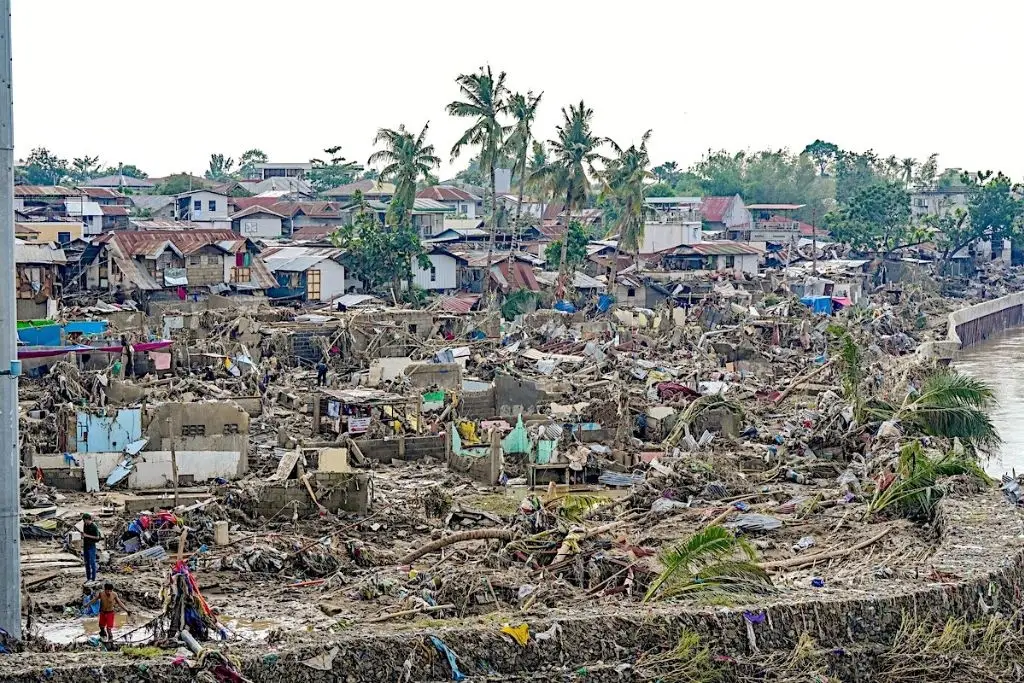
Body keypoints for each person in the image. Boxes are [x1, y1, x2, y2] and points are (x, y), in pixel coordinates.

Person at [81, 513, 102, 582]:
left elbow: (97, 537)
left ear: (87, 519)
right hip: (85, 545)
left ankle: (93, 578)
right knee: (86, 562)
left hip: (91, 546)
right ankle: (88, 578)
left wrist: (87, 535)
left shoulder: (94, 526)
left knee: (92, 562)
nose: (84, 521)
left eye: (84, 520)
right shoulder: (85, 525)